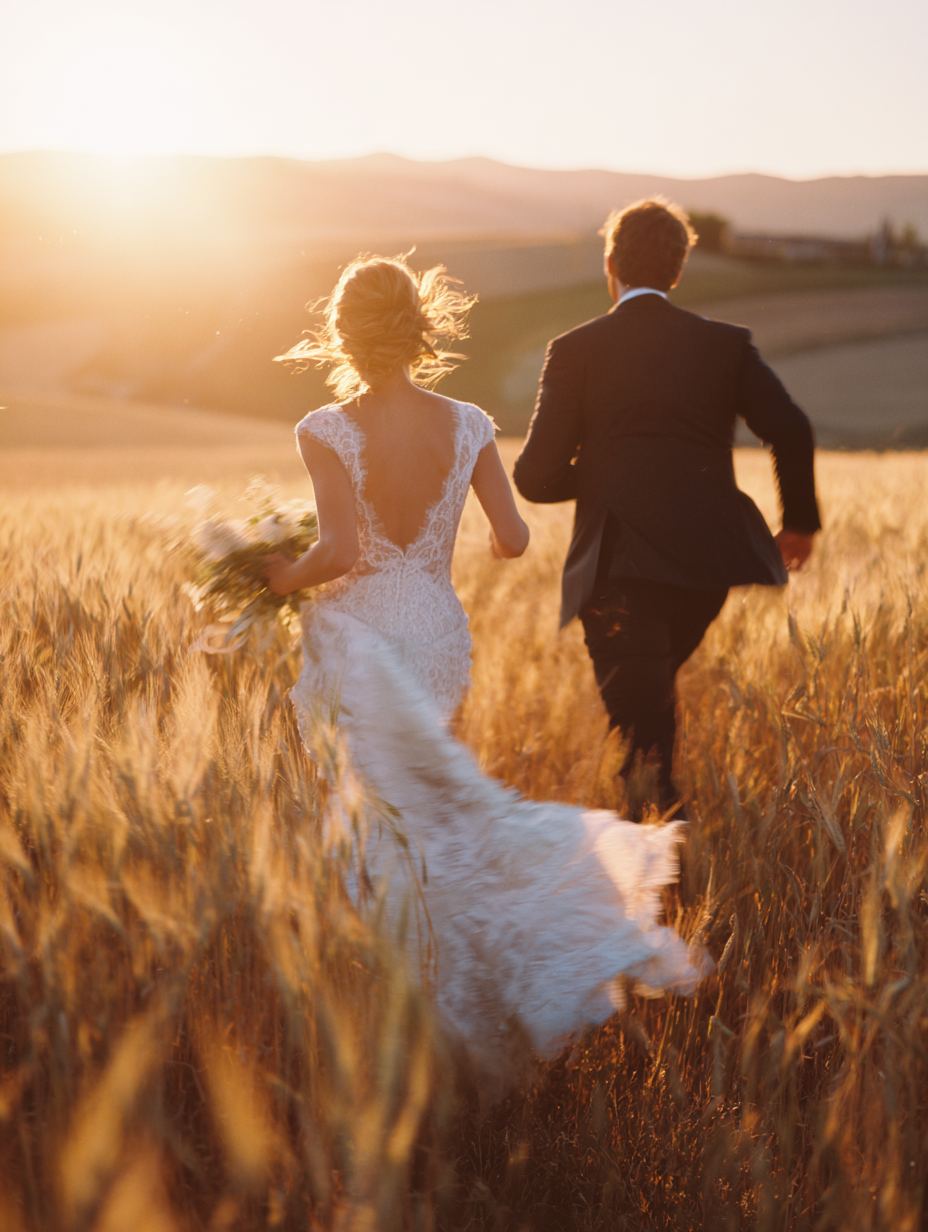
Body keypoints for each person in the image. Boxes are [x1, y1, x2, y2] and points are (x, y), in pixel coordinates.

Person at [264, 254, 707, 1090]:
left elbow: (342, 551)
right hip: (435, 631)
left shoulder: (323, 428)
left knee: (363, 817)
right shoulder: (468, 422)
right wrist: (441, 541)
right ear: (418, 328)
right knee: (434, 817)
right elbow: (512, 540)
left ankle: (390, 996)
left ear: (343, 335)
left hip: (356, 633)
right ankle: (455, 981)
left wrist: (274, 575)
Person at [513, 199, 821, 820]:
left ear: (610, 264)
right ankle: (654, 868)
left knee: (647, 753)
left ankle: (657, 882)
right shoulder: (725, 346)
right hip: (704, 571)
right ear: (678, 270)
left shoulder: (575, 350)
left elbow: (535, 476)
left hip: (619, 573)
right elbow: (790, 429)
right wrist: (799, 523)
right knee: (646, 727)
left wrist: (608, 474)